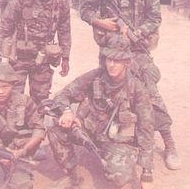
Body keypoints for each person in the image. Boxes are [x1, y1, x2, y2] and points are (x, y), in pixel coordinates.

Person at [80, 0, 180, 170]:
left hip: (135, 50)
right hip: (111, 53)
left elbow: (155, 17)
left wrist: (138, 31)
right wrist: (99, 22)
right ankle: (107, 140)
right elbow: (84, 8)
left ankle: (168, 143)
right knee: (104, 92)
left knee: (150, 92)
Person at [47, 34, 155, 189]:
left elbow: (147, 129)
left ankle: (120, 168)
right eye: (109, 59)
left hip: (118, 143)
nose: (111, 64)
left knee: (119, 178)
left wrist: (147, 173)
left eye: (117, 60)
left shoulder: (137, 89)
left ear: (127, 62)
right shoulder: (95, 76)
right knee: (54, 126)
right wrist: (67, 111)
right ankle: (73, 176)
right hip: (89, 133)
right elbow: (63, 94)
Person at [0, 0, 71, 104]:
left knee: (41, 100)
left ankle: (37, 126)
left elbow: (65, 31)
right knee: (13, 99)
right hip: (18, 58)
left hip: (43, 59)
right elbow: (5, 28)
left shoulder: (61, 1)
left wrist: (66, 57)